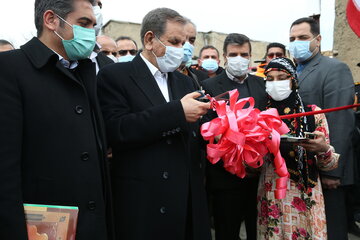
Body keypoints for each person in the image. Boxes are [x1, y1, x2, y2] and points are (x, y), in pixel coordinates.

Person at [0, 0, 114, 240]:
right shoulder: (9, 69)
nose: (91, 32)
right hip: (42, 223)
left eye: (93, 25)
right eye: (83, 23)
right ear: (51, 20)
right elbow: (5, 168)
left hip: (93, 222)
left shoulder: (87, 71)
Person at [97, 7, 211, 240]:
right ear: (150, 40)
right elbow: (117, 130)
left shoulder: (186, 82)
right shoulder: (115, 76)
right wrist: (176, 112)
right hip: (145, 200)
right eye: (175, 41)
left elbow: (196, 133)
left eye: (186, 42)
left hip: (187, 199)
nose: (181, 49)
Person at [257, 57, 339, 240]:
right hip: (272, 196)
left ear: (293, 80)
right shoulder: (260, 116)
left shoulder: (313, 114)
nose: (275, 83)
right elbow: (252, 165)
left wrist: (322, 148)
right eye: (270, 79)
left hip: (306, 194)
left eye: (282, 77)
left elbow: (329, 164)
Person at [289, 17, 355, 240]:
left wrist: (331, 170)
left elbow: (340, 121)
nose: (296, 42)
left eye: (303, 38)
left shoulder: (334, 69)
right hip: (300, 170)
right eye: (292, 38)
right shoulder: (292, 72)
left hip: (326, 169)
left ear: (318, 40)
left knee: (332, 229)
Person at [202, 33, 267, 240]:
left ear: (250, 56)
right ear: (225, 56)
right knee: (227, 230)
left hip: (258, 174)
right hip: (225, 177)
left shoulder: (262, 85)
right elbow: (208, 131)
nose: (239, 58)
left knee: (257, 229)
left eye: (244, 54)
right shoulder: (209, 86)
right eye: (234, 54)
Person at [177, 19, 208, 89]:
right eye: (182, 39)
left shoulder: (199, 77)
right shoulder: (161, 74)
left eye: (191, 40)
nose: (187, 44)